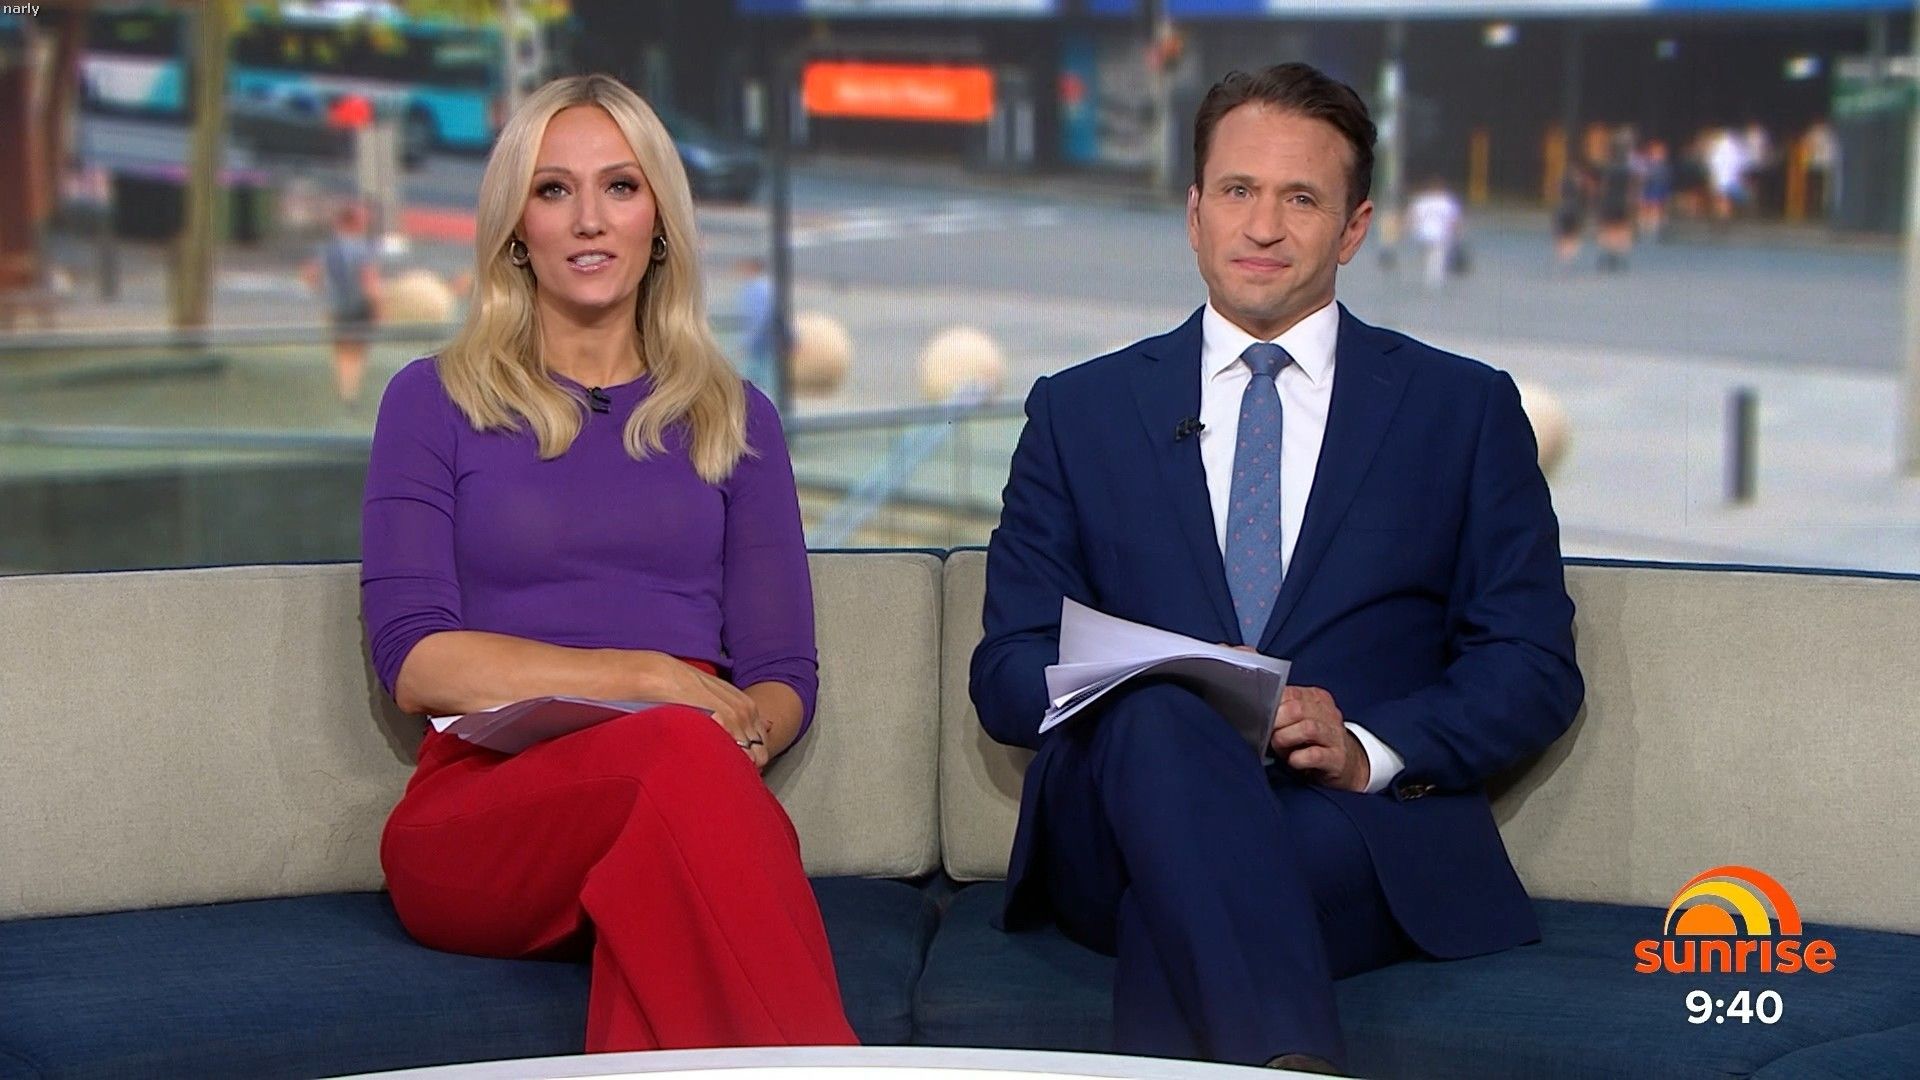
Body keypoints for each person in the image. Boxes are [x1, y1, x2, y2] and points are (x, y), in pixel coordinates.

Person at [969, 63, 1583, 1073]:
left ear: (1353, 228)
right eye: (1238, 191)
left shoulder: (1461, 411)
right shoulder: (1078, 412)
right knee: (1163, 715)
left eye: (1300, 198)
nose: (1262, 226)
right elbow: (1006, 669)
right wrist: (1152, 688)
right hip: (1116, 817)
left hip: (1349, 822)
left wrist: (1369, 748)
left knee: (1181, 901)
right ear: (1194, 213)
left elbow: (1530, 664)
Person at [361, 74, 857, 1053]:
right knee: (678, 765)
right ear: (517, 229)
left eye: (620, 187)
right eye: (554, 190)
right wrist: (644, 682)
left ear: (659, 220)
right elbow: (415, 659)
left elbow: (781, 675)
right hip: (486, 814)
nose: (589, 220)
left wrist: (738, 735)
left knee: (672, 842)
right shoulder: (431, 401)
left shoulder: (737, 419)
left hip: (685, 784)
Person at [303, 201, 383, 404]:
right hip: (359, 306)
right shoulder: (363, 250)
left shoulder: (327, 249)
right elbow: (369, 280)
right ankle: (351, 391)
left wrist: (324, 292)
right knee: (356, 351)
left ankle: (344, 389)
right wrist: (378, 306)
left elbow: (310, 274)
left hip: (336, 307)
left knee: (340, 351)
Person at [1404, 175, 1462, 290]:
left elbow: (1411, 217)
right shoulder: (1447, 202)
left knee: (1428, 254)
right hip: (1440, 233)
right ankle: (1434, 281)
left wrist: (1405, 229)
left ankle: (1424, 275)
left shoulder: (1422, 201)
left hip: (1422, 233)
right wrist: (1457, 234)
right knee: (1437, 256)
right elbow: (1454, 221)